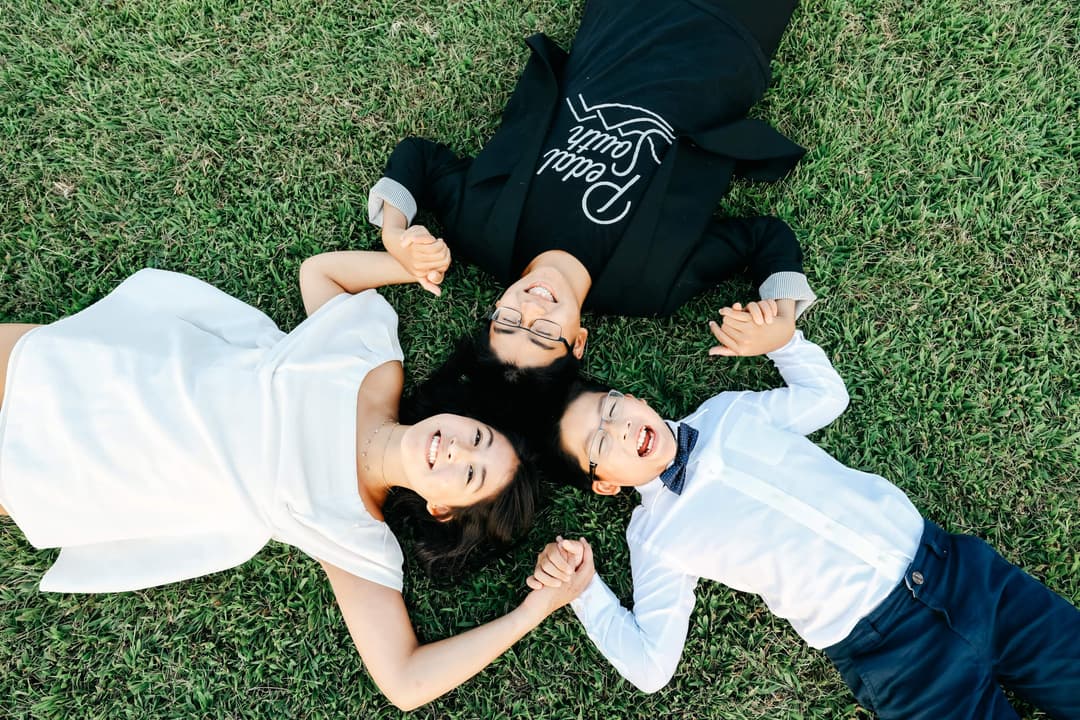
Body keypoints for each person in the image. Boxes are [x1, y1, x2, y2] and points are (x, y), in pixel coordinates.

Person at [0, 250, 594, 710]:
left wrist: (531, 612)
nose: (458, 447)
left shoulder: (351, 533)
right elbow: (323, 275)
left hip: (97, 468)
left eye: (469, 474)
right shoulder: (377, 367)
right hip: (119, 368)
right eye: (480, 438)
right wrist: (404, 265)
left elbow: (405, 682)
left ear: (442, 509)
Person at [529, 301, 1080, 719]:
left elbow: (825, 398)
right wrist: (587, 594)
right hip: (895, 657)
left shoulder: (726, 412)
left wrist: (784, 342)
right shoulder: (655, 537)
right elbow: (651, 667)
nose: (622, 429)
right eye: (601, 445)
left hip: (959, 571)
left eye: (612, 407)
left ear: (634, 398)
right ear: (604, 485)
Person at [364, 0, 817, 371]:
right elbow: (764, 237)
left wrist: (395, 233)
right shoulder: (652, 289)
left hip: (623, 15)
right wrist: (780, 319)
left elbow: (419, 157)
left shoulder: (480, 228)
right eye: (544, 334)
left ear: (494, 310)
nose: (531, 311)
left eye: (508, 322)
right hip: (731, 33)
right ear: (577, 341)